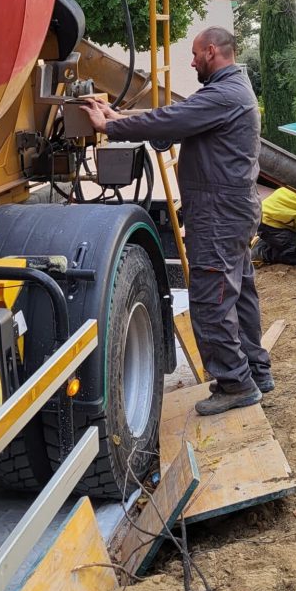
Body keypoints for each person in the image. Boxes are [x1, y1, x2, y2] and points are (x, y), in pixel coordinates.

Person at [82, 26, 271, 416]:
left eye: (196, 53)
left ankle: (236, 384)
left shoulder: (224, 94)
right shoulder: (232, 91)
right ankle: (256, 370)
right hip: (230, 210)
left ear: (213, 52)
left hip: (220, 215)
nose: (191, 60)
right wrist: (121, 116)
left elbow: (172, 119)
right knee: (239, 295)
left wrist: (110, 126)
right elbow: (177, 120)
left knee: (211, 300)